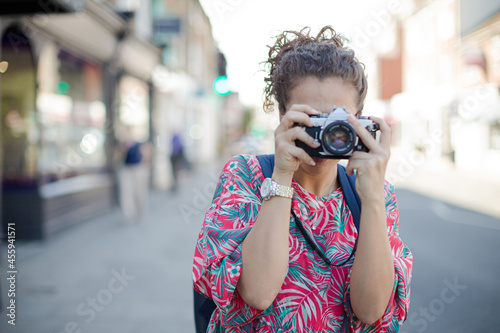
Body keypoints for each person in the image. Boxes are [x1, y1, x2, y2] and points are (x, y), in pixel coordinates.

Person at [192, 26, 413, 332]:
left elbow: (371, 310)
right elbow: (257, 293)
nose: (326, 135)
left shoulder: (376, 193)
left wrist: (373, 198)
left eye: (337, 121)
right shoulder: (244, 175)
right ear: (283, 115)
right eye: (312, 120)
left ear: (360, 120)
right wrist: (282, 176)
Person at [117, 127, 152, 223]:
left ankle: (140, 210)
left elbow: (147, 154)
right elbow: (118, 157)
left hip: (138, 169)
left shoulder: (140, 144)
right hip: (127, 170)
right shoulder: (123, 144)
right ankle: (129, 214)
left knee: (139, 192)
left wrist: (146, 166)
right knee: (126, 192)